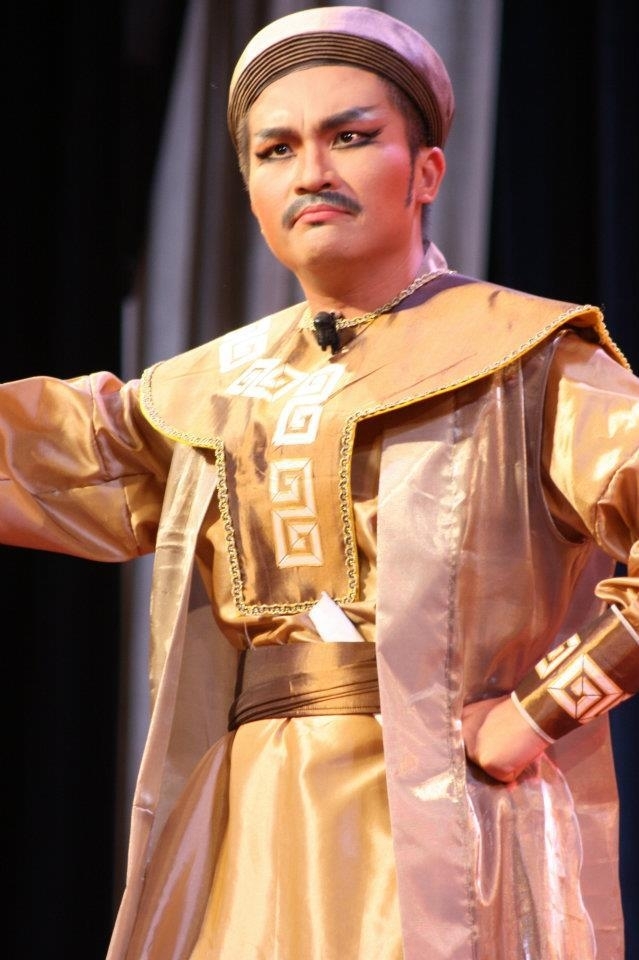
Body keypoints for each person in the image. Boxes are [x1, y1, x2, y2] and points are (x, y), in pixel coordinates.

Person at [2, 6, 638, 959]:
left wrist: (538, 712)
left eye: (350, 137)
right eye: (276, 150)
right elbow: (40, 457)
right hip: (252, 825)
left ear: (426, 171)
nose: (310, 173)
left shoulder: (527, 355)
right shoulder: (202, 394)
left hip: (446, 822)